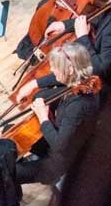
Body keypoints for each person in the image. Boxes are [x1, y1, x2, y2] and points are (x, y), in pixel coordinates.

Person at [14, 42, 101, 186]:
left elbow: (60, 146)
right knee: (11, 137)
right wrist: (33, 84)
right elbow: (55, 78)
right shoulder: (80, 81)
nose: (52, 70)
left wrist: (43, 118)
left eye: (55, 67)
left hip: (61, 161)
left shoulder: (78, 105)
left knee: (10, 173)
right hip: (60, 142)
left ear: (71, 70)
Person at [13, 0, 111, 86]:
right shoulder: (108, 7)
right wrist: (65, 25)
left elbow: (101, 68)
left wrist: (83, 37)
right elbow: (96, 18)